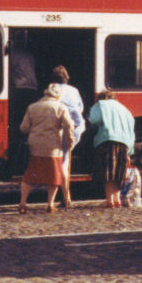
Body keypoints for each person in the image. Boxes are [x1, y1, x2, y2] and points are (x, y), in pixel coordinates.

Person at [18, 85, 74, 214]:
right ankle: (50, 204)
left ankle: (22, 203)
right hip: (53, 146)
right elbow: (69, 125)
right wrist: (69, 141)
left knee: (30, 175)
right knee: (54, 175)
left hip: (35, 145)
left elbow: (24, 127)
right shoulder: (61, 107)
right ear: (58, 95)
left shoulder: (32, 107)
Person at [88, 90, 136, 208]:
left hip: (107, 140)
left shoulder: (100, 105)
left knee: (108, 172)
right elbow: (131, 129)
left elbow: (93, 120)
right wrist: (130, 151)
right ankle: (117, 200)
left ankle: (109, 200)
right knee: (118, 172)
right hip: (124, 143)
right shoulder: (125, 109)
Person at [50, 65, 85, 208]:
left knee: (62, 163)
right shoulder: (74, 90)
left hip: (60, 129)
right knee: (65, 161)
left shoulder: (52, 89)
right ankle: (66, 196)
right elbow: (80, 108)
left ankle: (65, 197)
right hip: (76, 129)